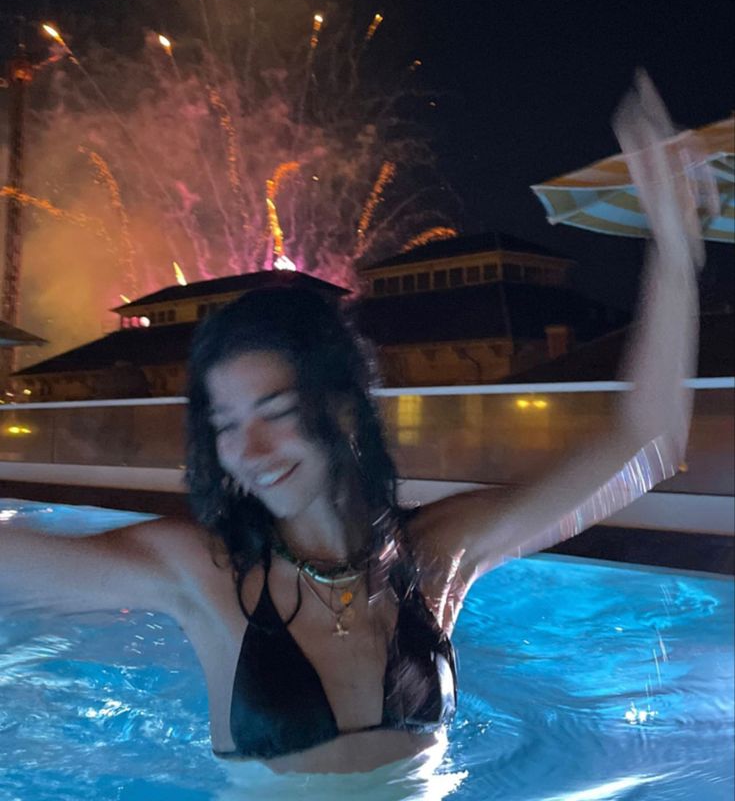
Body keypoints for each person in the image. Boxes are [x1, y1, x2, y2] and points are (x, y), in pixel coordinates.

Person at [1, 75, 714, 786]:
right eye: (225, 425)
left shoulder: (434, 560)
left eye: (275, 413)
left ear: (340, 408)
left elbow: (643, 446)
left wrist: (676, 252)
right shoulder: (202, 573)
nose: (247, 452)